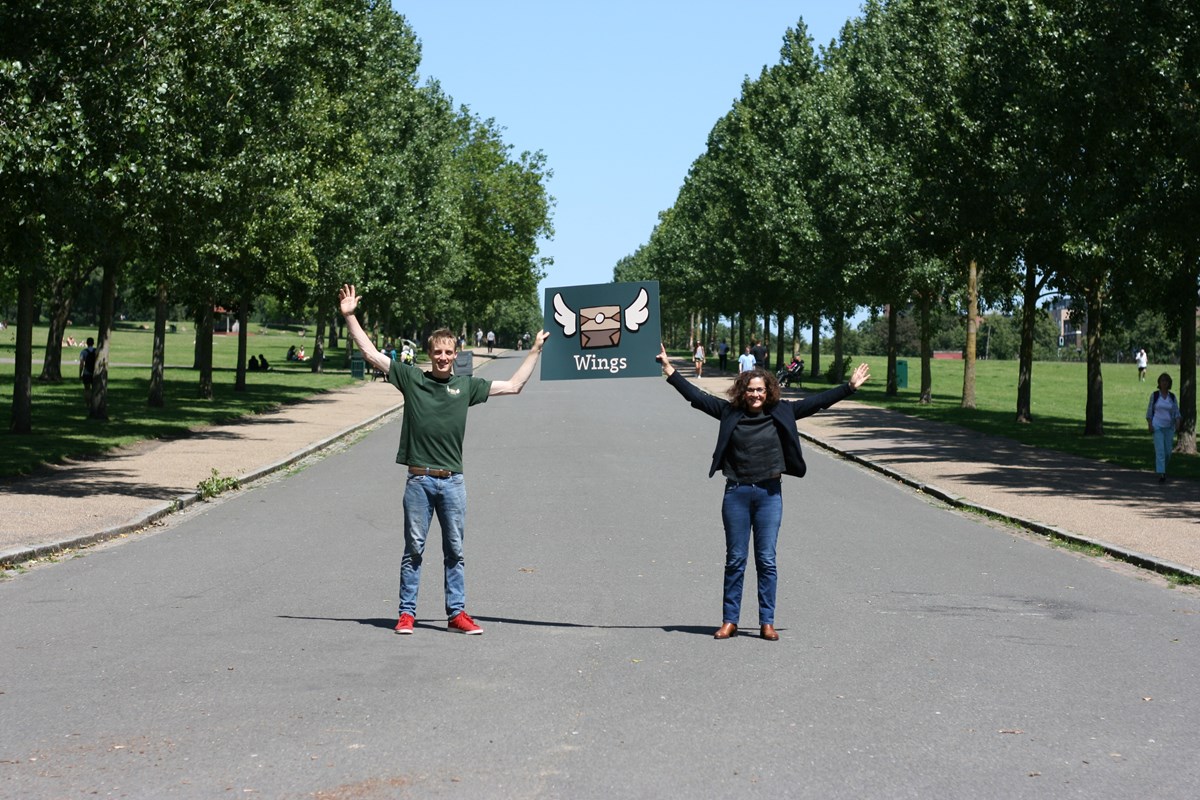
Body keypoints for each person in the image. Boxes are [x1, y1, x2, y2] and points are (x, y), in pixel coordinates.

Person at [339, 284, 550, 636]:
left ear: (456, 354)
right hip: (419, 480)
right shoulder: (411, 379)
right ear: (429, 353)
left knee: (455, 550)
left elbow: (513, 385)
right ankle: (407, 614)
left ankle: (457, 614)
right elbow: (373, 355)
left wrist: (534, 351)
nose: (443, 357)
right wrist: (349, 316)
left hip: (452, 481)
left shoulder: (466, 387)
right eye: (438, 352)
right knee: (414, 550)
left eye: (448, 352)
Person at [657, 344, 870, 641]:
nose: (755, 395)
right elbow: (698, 398)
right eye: (750, 390)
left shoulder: (782, 412)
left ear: (768, 391)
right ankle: (730, 620)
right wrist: (669, 370)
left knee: (767, 560)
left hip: (769, 495)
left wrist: (848, 387)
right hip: (737, 494)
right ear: (742, 391)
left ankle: (766, 621)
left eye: (760, 390)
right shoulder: (730, 413)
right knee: (735, 559)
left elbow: (817, 402)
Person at [1146, 372, 1182, 484]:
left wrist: (1178, 422)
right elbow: (1149, 411)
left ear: (1169, 383)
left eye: (1166, 381)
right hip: (1157, 426)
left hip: (1169, 427)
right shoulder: (1155, 395)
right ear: (1159, 383)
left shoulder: (1172, 397)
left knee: (1167, 452)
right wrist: (1150, 424)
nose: (1164, 383)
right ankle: (1162, 474)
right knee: (1160, 451)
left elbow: (1176, 411)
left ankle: (1162, 468)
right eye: (1162, 381)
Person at [78, 337, 98, 406]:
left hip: (86, 373)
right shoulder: (97, 351)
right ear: (93, 343)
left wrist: (80, 374)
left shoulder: (84, 352)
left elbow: (81, 364)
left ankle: (87, 404)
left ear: (87, 343)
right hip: (95, 373)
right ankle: (94, 403)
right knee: (94, 389)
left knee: (87, 389)